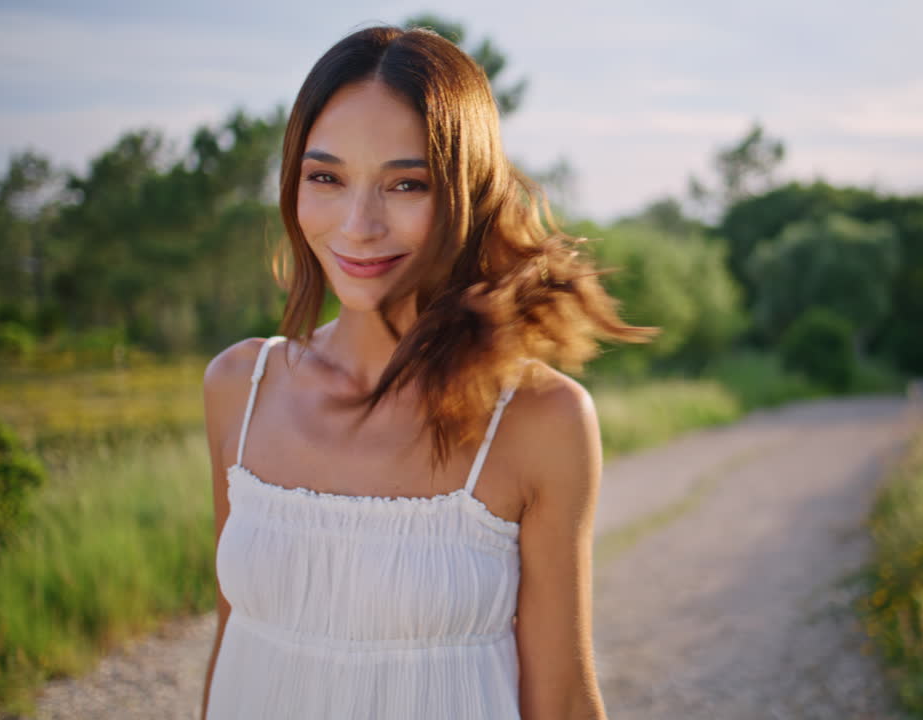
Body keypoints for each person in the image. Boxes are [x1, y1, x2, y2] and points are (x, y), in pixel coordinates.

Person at [199, 24, 652, 720]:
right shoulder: (239, 389)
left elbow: (561, 699)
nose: (357, 225)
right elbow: (236, 640)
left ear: (465, 196)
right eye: (326, 177)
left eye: (406, 184)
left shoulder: (540, 420)